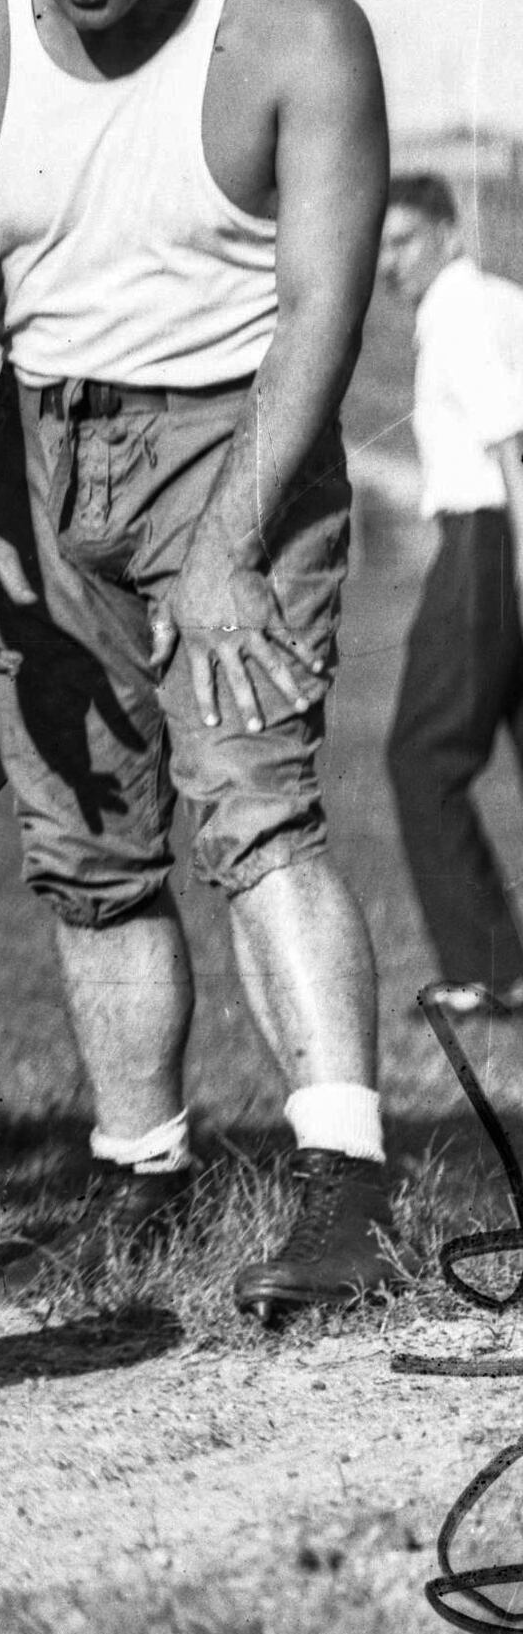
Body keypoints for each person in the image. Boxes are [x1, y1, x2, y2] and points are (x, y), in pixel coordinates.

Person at [0, 0, 396, 1322]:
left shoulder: (299, 33)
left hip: (238, 431)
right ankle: (142, 1177)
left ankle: (342, 1180)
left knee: (253, 800)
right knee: (86, 847)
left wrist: (237, 535)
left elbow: (324, 300)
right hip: (42, 449)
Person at [377, 172, 523, 1019]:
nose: (389, 264)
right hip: (495, 536)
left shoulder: (459, 310)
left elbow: (508, 436)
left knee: (423, 755)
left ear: (447, 231)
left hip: (486, 538)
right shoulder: (503, 299)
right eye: (382, 246)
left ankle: (488, 966)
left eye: (404, 242)